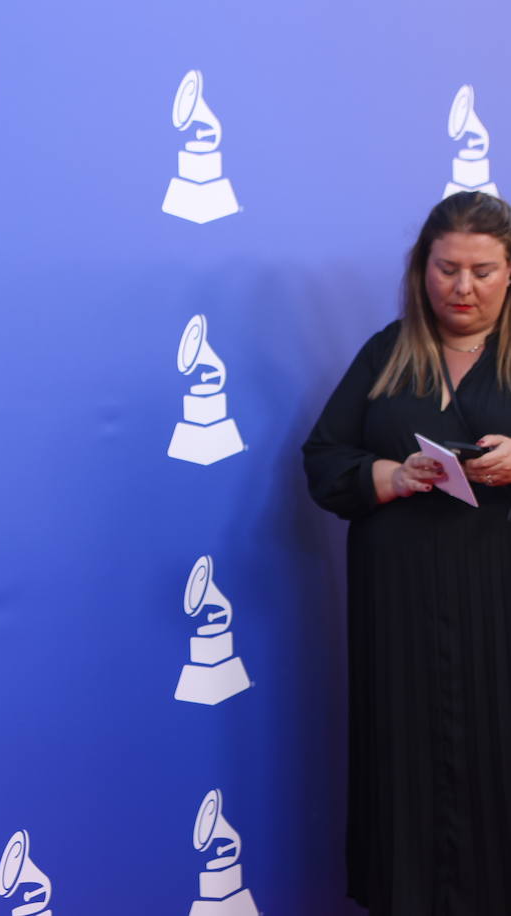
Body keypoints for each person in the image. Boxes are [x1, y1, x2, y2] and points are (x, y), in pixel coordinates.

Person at [303, 190, 511, 915]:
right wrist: (387, 476)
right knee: (405, 769)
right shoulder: (385, 355)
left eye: (482, 271)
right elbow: (324, 458)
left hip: (500, 608)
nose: (462, 288)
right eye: (446, 268)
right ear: (421, 268)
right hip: (401, 613)